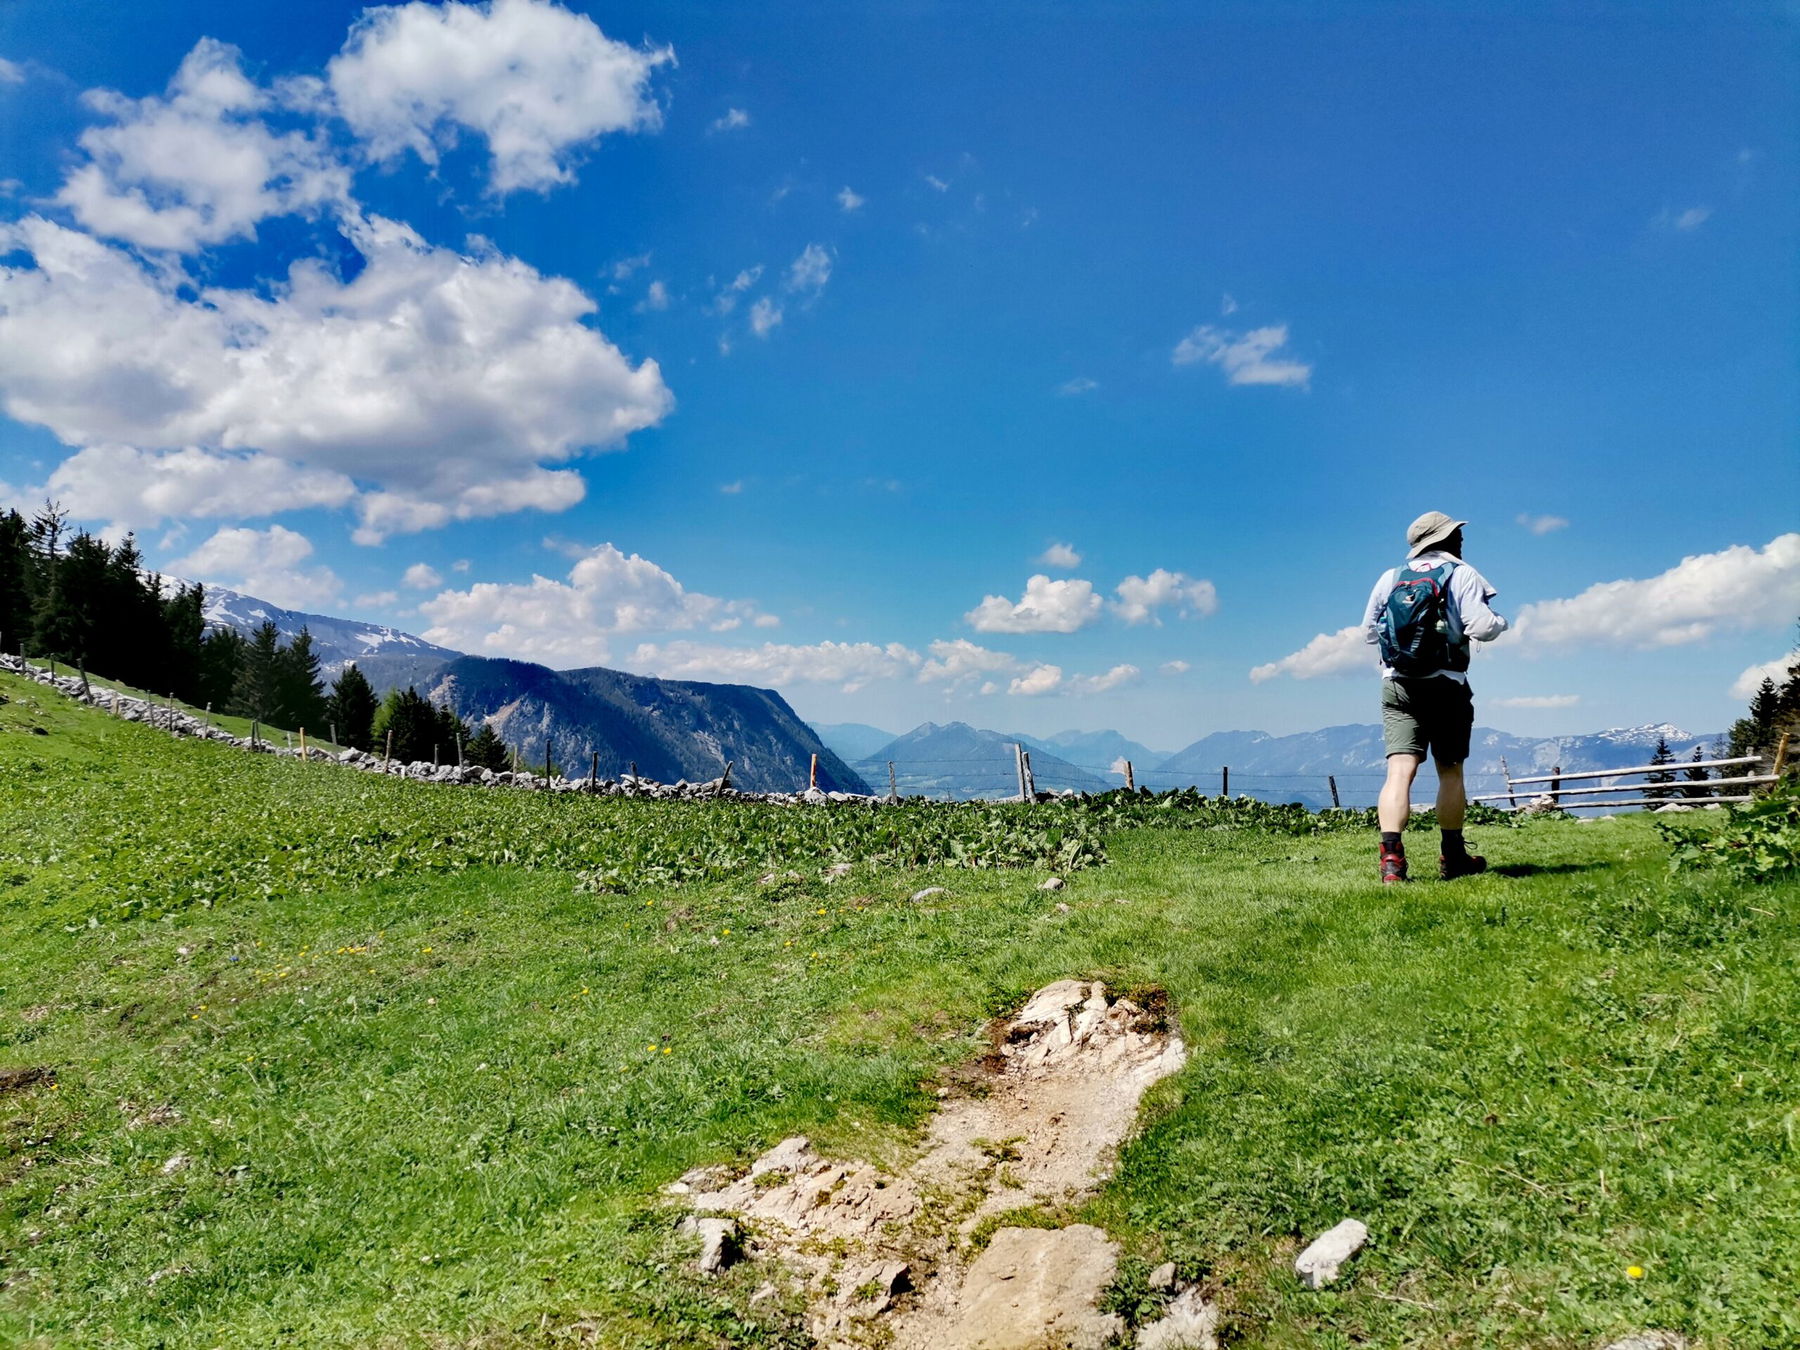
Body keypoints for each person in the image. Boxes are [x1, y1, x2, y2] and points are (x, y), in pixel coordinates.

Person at [1363, 511, 1508, 883]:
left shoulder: (1390, 577)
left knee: (1399, 771)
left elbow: (1369, 633)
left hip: (1397, 684)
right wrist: (1501, 622)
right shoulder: (1462, 574)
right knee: (1450, 770)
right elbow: (1481, 627)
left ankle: (1391, 862)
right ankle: (1453, 857)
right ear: (1445, 540)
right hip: (1446, 684)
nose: (1461, 539)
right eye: (1456, 534)